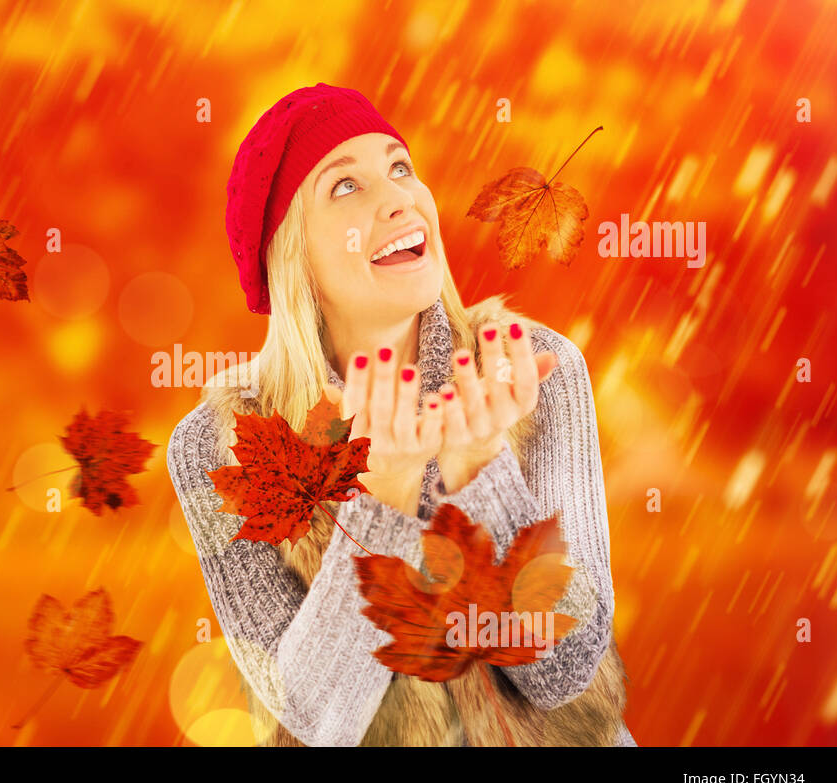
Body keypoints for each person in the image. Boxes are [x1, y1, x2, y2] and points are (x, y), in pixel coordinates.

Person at [166, 82, 636, 747]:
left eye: (399, 167)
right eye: (344, 187)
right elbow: (314, 719)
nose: (399, 198)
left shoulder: (531, 367)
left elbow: (567, 671)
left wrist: (483, 474)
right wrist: (380, 501)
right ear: (291, 255)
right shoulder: (221, 445)